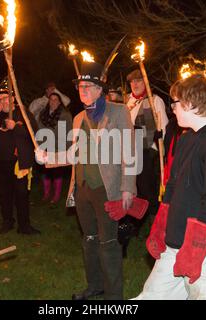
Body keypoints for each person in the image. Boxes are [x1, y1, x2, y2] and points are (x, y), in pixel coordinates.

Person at [134, 74, 206, 300]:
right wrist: (162, 225)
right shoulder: (186, 139)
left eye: (175, 102)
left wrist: (195, 251)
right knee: (151, 296)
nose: (172, 108)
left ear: (191, 104)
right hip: (176, 242)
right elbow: (173, 185)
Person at [37, 61, 138, 300]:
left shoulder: (118, 111)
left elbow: (129, 152)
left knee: (109, 243)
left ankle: (114, 297)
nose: (82, 90)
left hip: (107, 188)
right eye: (80, 86)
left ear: (99, 89)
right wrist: (47, 157)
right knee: (89, 240)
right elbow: (74, 154)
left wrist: (127, 188)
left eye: (87, 86)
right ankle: (95, 286)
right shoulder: (79, 117)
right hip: (82, 189)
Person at [118, 69, 169, 256]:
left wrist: (158, 150)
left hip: (146, 154)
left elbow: (162, 127)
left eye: (139, 81)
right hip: (125, 154)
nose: (135, 84)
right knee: (128, 190)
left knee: (148, 192)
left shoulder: (155, 101)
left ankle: (155, 231)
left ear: (145, 82)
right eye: (132, 82)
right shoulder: (126, 101)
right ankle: (129, 228)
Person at [0, 79, 40, 235]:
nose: (2, 101)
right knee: (5, 195)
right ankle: (7, 221)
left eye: (5, 98)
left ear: (12, 98)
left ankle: (24, 226)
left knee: (21, 195)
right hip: (0, 163)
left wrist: (16, 128)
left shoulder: (23, 112)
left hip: (18, 164)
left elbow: (34, 133)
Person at [37, 93, 72, 205]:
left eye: (56, 100)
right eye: (51, 100)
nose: (53, 102)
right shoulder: (43, 114)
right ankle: (47, 193)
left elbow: (69, 132)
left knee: (57, 172)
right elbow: (39, 130)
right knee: (45, 171)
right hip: (45, 147)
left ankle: (56, 195)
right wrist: (39, 145)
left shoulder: (65, 115)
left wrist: (68, 148)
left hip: (59, 148)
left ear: (60, 101)